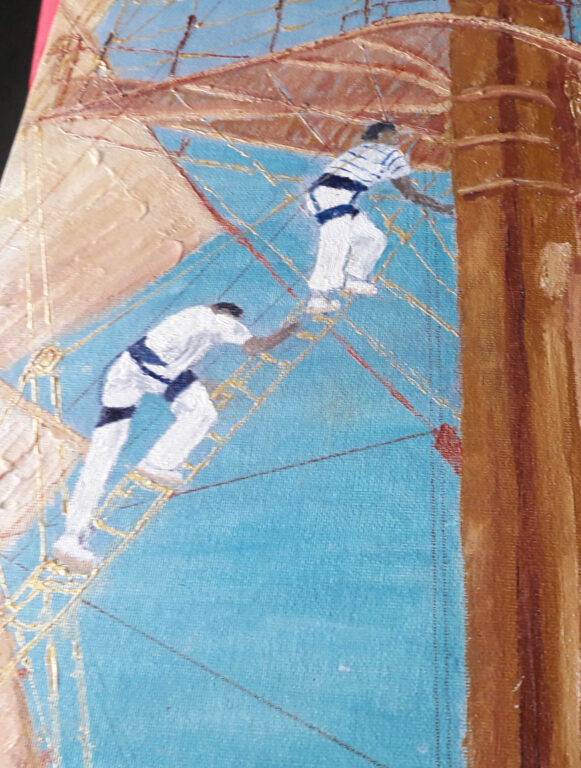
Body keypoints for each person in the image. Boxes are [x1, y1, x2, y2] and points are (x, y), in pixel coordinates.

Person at [53, 303, 298, 571]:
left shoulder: (197, 319)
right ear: (225, 312)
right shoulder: (213, 320)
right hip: (150, 372)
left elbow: (187, 352)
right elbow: (253, 346)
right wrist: (292, 329)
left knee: (105, 451)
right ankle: (158, 463)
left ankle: (73, 534)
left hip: (134, 370)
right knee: (200, 412)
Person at [304, 121, 454, 313]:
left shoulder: (361, 150)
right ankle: (318, 297)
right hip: (333, 195)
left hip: (331, 195)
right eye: (392, 134)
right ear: (381, 135)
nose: (396, 139)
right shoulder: (392, 154)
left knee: (372, 238)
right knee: (336, 242)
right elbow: (410, 194)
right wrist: (442, 208)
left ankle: (354, 278)